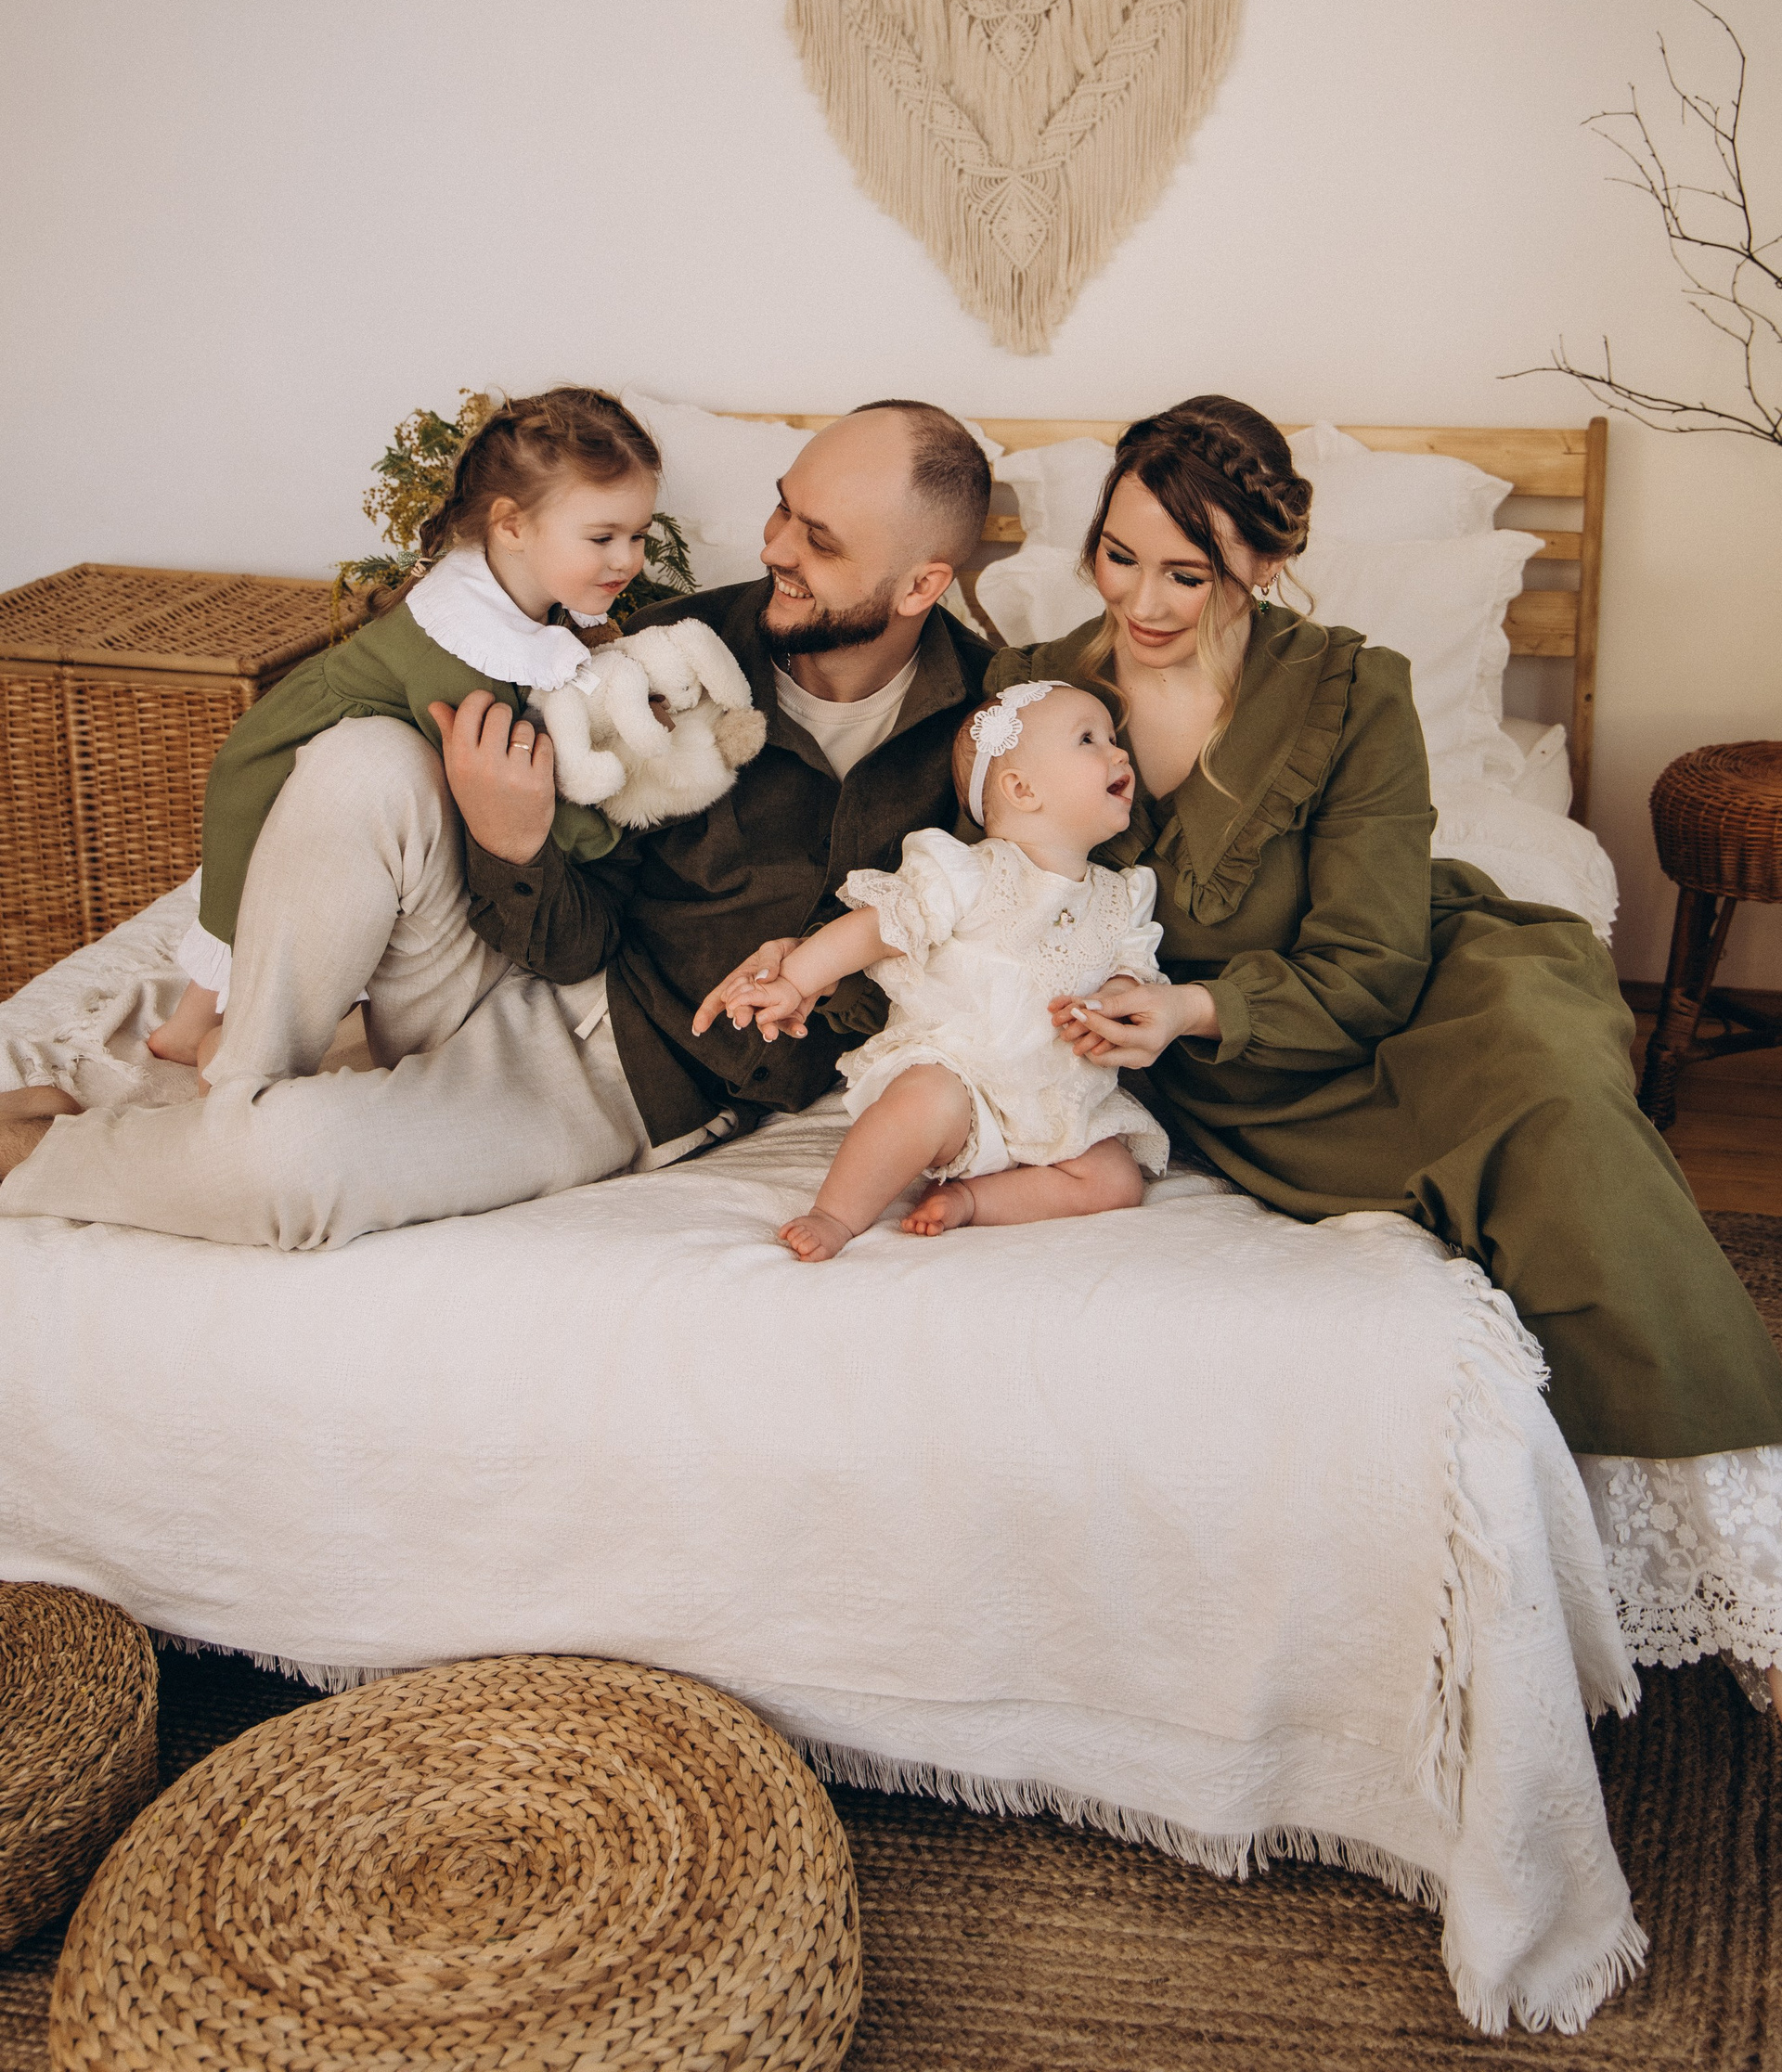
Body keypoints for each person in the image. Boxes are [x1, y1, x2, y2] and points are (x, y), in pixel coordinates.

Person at [984, 392, 1782, 1694]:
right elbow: (966, 887)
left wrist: (1194, 1007)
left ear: (1266, 561)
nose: (1144, 599)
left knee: (1562, 1119)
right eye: (1119, 556)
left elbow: (1369, 963)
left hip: (1400, 986)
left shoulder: (1354, 691)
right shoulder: (1031, 698)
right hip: (1216, 1074)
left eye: (1190, 571)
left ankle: (1751, 1572)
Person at [0, 400, 993, 1249]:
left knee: (294, 1166)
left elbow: (1006, 929)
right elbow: (574, 937)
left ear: (922, 584)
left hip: (629, 1068)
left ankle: (49, 1146)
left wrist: (829, 975)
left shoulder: (994, 736)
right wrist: (511, 839)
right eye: (783, 508)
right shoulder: (674, 648)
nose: (775, 547)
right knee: (363, 754)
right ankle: (246, 1076)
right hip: (506, 949)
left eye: (821, 540)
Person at [145, 387, 654, 1071]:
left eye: (639, 536)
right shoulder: (460, 640)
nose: (628, 560)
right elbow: (497, 770)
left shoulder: (530, 599)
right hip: (280, 763)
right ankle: (197, 1037)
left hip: (345, 762)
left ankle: (204, 1029)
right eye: (603, 538)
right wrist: (601, 833)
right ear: (511, 526)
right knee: (261, 915)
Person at [716, 680, 1168, 1262]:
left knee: (1116, 1181)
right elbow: (880, 926)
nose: (1119, 752)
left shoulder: (1122, 896)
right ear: (1022, 789)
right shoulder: (968, 872)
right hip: (959, 1079)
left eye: (1113, 737)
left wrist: (1112, 1005)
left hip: (1056, 1102)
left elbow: (1134, 975)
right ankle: (836, 1213)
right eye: (1090, 740)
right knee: (920, 1104)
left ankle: (972, 1201)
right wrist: (795, 978)